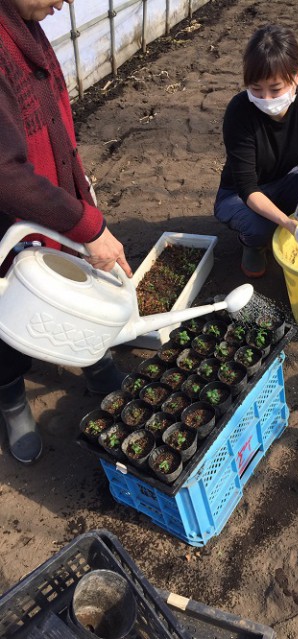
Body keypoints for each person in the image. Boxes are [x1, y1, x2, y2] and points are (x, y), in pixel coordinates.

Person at [0, 0, 133, 464]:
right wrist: (86, 224)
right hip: (8, 219)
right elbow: (4, 173)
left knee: (74, 281)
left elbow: (52, 125)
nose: (67, 2)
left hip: (47, 205)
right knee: (8, 306)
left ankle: (95, 361)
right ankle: (12, 399)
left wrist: (81, 201)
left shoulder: (26, 28)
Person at [214, 24, 298, 278]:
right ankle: (252, 244)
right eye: (256, 89)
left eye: (275, 89)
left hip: (284, 179)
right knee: (260, 228)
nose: (266, 99)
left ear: (296, 76)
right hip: (237, 194)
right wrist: (291, 226)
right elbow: (247, 188)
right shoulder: (239, 112)